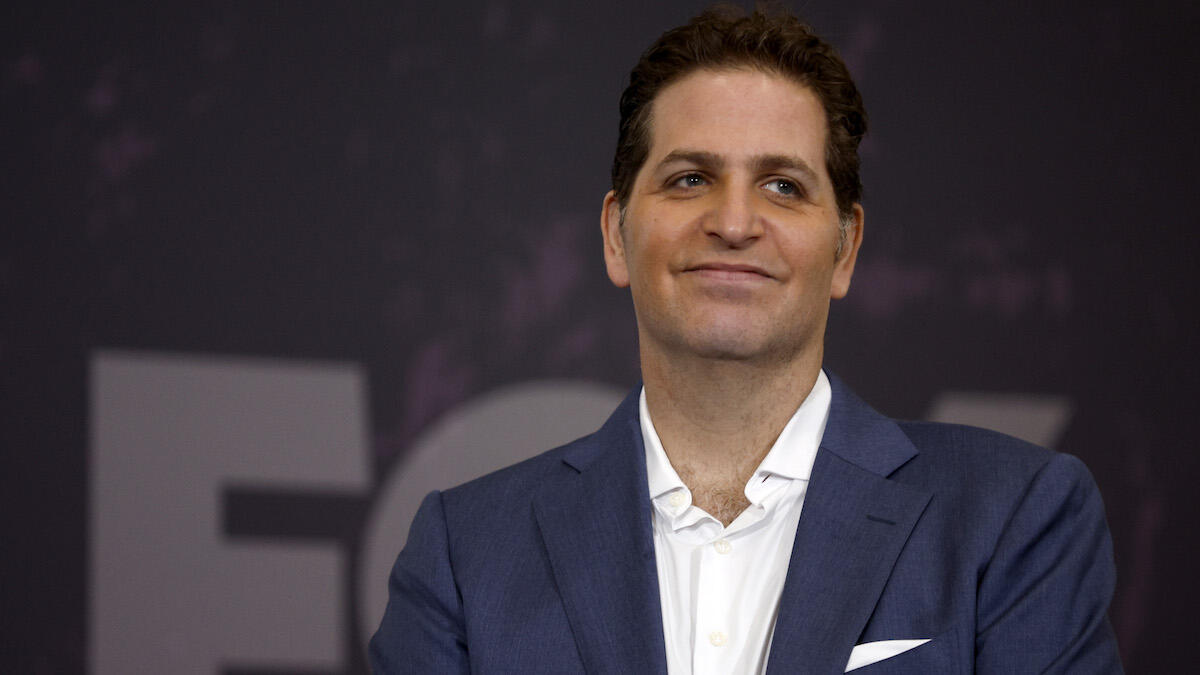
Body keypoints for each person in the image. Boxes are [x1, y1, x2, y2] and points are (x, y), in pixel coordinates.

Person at [370, 6, 1122, 673]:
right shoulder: (465, 552)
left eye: (783, 186)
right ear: (615, 236)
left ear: (846, 249)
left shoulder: (1012, 518)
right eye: (690, 179)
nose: (733, 223)